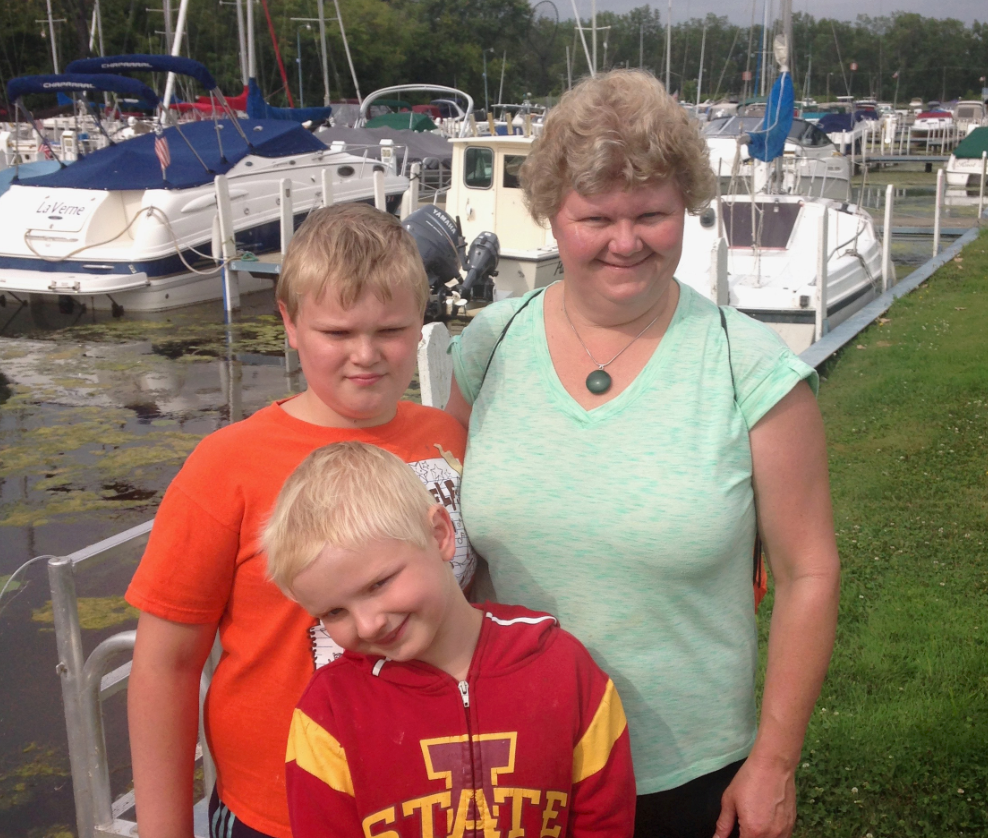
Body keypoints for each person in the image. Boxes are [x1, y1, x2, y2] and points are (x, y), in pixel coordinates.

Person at [445, 69, 841, 838]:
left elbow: (808, 574)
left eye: (651, 215)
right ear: (551, 215)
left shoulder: (748, 366)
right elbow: (442, 540)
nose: (624, 243)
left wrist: (773, 763)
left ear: (685, 207)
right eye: (595, 217)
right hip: (509, 762)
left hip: (687, 778)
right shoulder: (490, 345)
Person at [125, 203, 476, 838]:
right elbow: (164, 667)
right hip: (281, 812)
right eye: (337, 333)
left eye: (391, 329)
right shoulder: (225, 467)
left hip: (437, 799)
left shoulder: (447, 438)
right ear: (289, 322)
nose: (366, 355)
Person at [262, 441, 637, 837]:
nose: (368, 625)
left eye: (378, 584)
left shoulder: (562, 667)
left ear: (440, 534)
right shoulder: (329, 711)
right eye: (335, 612)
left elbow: (604, 821)